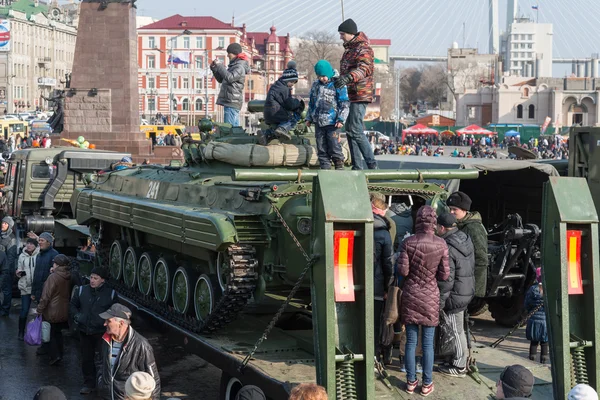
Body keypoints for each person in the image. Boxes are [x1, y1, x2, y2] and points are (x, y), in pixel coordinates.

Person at [397, 205, 449, 396]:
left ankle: (411, 382)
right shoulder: (442, 244)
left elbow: (402, 271)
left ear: (417, 220)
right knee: (428, 344)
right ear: (434, 222)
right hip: (430, 296)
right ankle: (427, 383)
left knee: (411, 341)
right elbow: (444, 275)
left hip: (411, 294)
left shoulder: (408, 242)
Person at [435, 213, 475, 378]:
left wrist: (441, 301)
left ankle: (459, 366)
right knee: (459, 329)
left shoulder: (448, 246)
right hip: (465, 290)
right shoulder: (464, 239)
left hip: (454, 295)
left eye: (437, 226)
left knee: (456, 330)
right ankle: (455, 359)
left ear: (442, 228)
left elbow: (447, 279)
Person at [336, 18, 377, 170]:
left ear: (350, 33)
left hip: (360, 93)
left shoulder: (363, 48)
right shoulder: (350, 49)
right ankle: (357, 165)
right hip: (352, 93)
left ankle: (371, 164)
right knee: (350, 129)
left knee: (355, 129)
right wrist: (340, 79)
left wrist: (348, 77)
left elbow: (364, 68)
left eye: (342, 34)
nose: (340, 37)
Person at [98, 303, 160, 400]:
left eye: (108, 321)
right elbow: (101, 363)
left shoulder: (141, 345)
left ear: (121, 323)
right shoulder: (106, 340)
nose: (104, 323)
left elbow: (153, 380)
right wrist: (100, 381)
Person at [70, 266, 117, 395]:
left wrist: (109, 323)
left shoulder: (110, 294)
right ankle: (89, 384)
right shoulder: (81, 291)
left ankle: (105, 384)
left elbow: (115, 311)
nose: (92, 280)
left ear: (102, 280)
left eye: (96, 278)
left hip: (102, 332)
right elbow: (73, 305)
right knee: (87, 359)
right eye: (91, 277)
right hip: (85, 330)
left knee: (104, 359)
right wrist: (78, 316)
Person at [305, 59, 349, 170]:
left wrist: (341, 119)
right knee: (321, 147)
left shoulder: (338, 84)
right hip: (318, 121)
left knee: (334, 145)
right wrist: (309, 118)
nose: (322, 79)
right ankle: (325, 166)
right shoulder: (316, 85)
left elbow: (344, 103)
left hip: (332, 122)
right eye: (319, 76)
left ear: (329, 73)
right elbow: (312, 103)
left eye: (324, 76)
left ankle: (339, 165)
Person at [446, 191, 488, 299]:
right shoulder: (459, 224)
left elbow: (482, 259)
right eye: (450, 209)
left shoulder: (473, 228)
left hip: (467, 287)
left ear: (465, 210)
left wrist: (475, 290)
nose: (451, 212)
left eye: (455, 209)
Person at [36, 254, 72, 365]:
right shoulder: (69, 275)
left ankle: (54, 355)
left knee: (50, 334)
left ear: (56, 264)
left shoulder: (53, 277)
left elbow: (46, 296)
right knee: (58, 333)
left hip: (51, 310)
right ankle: (60, 354)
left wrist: (39, 309)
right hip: (63, 309)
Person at [370, 193, 394, 362]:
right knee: (375, 322)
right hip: (376, 286)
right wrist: (388, 287)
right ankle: (375, 354)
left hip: (350, 284)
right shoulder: (384, 233)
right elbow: (388, 263)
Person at [210, 42, 250, 127]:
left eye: (229, 53)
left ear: (235, 53)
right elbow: (222, 79)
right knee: (233, 129)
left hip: (232, 101)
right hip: (230, 101)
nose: (228, 56)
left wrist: (220, 66)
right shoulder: (234, 66)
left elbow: (230, 78)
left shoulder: (239, 67)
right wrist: (215, 69)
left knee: (229, 129)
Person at [263, 61, 304, 141]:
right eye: (292, 82)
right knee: (293, 118)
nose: (293, 84)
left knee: (276, 128)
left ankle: (266, 134)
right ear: (287, 80)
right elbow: (289, 105)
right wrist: (298, 101)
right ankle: (283, 129)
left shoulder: (276, 85)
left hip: (268, 114)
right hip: (276, 113)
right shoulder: (284, 89)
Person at [16, 237, 39, 340]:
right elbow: (19, 268)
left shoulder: (39, 255)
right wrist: (18, 272)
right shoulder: (21, 256)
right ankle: (21, 332)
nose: (29, 245)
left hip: (37, 287)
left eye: (31, 244)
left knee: (41, 310)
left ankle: (42, 333)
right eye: (27, 243)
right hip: (25, 286)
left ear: (35, 246)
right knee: (24, 310)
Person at [525, 267, 548, 364]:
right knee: (544, 342)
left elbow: (526, 304)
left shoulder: (532, 289)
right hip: (545, 320)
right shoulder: (549, 289)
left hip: (533, 319)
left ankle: (532, 359)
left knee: (534, 341)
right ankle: (544, 360)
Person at [0, 216, 17, 316]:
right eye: (3, 222)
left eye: (6, 223)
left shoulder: (11, 239)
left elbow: (11, 258)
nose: (3, 224)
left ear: (9, 226)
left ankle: (5, 310)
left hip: (6, 270)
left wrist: (7, 270)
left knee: (6, 291)